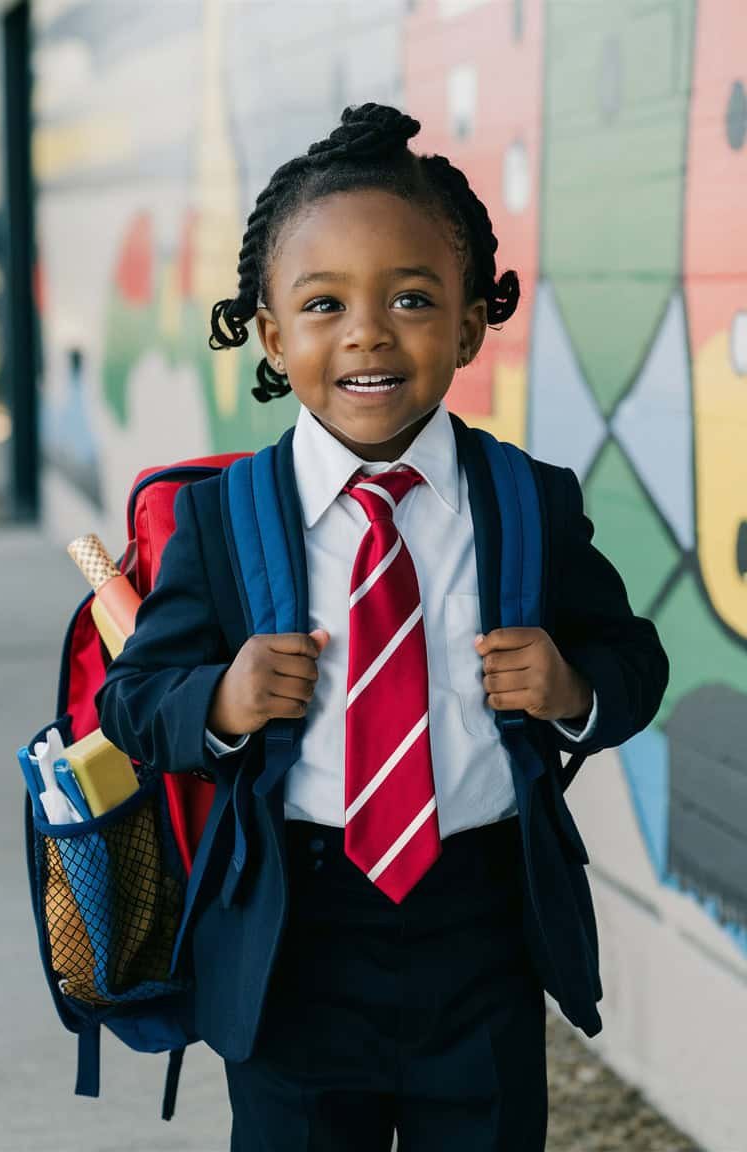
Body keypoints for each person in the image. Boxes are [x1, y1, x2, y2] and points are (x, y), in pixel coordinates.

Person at [96, 103, 669, 1151]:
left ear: (466, 321)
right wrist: (218, 702)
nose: (367, 331)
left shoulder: (528, 502)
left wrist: (573, 691)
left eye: (411, 297)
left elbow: (633, 660)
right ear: (272, 333)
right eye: (324, 304)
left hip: (481, 934)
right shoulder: (227, 521)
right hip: (293, 944)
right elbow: (132, 700)